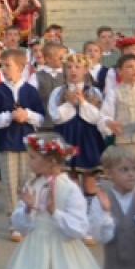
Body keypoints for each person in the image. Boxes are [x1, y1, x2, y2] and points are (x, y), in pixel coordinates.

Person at [4, 133, 111, 269]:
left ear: (51, 161)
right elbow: (20, 225)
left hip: (62, 246)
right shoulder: (32, 184)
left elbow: (80, 228)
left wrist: (55, 213)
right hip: (38, 246)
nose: (28, 161)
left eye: (32, 157)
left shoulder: (70, 189)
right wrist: (27, 208)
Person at [0, 47, 45, 241]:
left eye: (8, 65)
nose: (4, 69)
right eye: (2, 66)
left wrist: (26, 115)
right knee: (10, 183)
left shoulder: (30, 91)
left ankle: (28, 215)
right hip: (7, 142)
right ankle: (13, 219)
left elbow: (41, 117)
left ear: (21, 67)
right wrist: (9, 116)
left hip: (27, 143)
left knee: (27, 180)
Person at [50, 52, 106, 244]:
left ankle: (89, 225)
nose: (73, 71)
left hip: (88, 137)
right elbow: (56, 116)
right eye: (69, 67)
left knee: (89, 182)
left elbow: (97, 117)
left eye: (77, 67)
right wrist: (69, 104)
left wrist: (82, 102)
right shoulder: (58, 92)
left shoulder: (94, 92)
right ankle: (72, 223)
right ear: (64, 70)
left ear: (85, 69)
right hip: (66, 137)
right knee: (70, 182)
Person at [89, 146, 135, 269]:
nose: (131, 174)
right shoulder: (102, 200)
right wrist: (106, 213)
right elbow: (101, 237)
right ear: (109, 173)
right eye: (124, 170)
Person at [100, 55, 135, 160]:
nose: (134, 70)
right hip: (126, 141)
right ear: (120, 71)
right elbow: (105, 115)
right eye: (130, 67)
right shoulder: (114, 92)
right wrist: (108, 122)